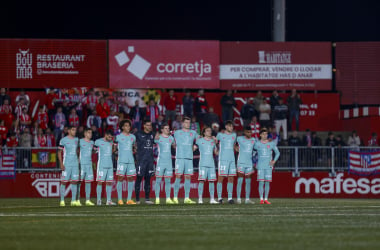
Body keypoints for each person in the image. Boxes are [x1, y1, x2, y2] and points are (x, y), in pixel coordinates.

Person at [173, 116, 199, 204]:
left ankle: (186, 198)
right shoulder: (177, 132)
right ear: (182, 123)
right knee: (178, 176)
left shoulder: (193, 133)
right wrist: (173, 145)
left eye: (189, 122)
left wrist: (196, 146)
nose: (188, 124)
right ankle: (175, 197)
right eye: (186, 122)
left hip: (189, 158)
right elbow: (169, 138)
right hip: (179, 157)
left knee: (188, 177)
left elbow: (201, 139)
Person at [253, 128, 280, 204]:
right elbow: (252, 152)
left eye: (266, 134)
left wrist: (274, 161)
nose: (265, 135)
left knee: (267, 182)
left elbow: (278, 153)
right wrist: (253, 162)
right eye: (264, 134)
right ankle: (261, 199)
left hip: (268, 166)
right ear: (260, 135)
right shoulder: (257, 144)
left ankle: (266, 199)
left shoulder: (271, 143)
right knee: (261, 182)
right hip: (260, 166)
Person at [115, 119, 137, 205]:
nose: (128, 127)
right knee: (120, 178)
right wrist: (116, 154)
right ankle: (120, 199)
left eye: (129, 125)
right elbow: (114, 147)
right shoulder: (118, 137)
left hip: (130, 160)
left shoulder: (133, 137)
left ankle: (129, 199)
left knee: (130, 178)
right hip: (122, 161)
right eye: (126, 126)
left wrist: (135, 150)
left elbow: (134, 147)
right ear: (122, 127)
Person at [195, 126, 219, 204]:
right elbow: (193, 148)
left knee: (211, 181)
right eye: (208, 131)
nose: (210, 132)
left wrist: (217, 143)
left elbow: (216, 152)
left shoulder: (213, 141)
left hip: (211, 164)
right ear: (204, 132)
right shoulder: (199, 140)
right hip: (203, 164)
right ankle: (200, 199)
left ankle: (212, 199)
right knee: (201, 181)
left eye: (210, 131)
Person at [58, 125, 80, 207]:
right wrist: (61, 163)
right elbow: (59, 152)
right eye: (73, 130)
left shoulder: (77, 140)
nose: (75, 131)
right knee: (64, 182)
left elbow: (78, 150)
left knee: (74, 181)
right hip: (66, 163)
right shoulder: (63, 140)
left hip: (75, 164)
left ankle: (73, 200)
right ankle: (62, 200)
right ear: (69, 131)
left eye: (75, 130)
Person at [134, 119, 155, 204]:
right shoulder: (138, 134)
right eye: (148, 125)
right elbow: (132, 142)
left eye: (150, 125)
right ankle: (137, 200)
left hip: (150, 161)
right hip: (141, 161)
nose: (150, 127)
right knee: (139, 179)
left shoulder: (153, 134)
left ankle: (147, 199)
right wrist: (134, 148)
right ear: (144, 126)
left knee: (148, 179)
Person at [216, 120, 237, 204]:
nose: (231, 128)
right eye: (229, 126)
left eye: (232, 126)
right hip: (223, 160)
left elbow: (234, 146)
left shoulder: (234, 135)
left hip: (231, 160)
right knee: (221, 178)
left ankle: (230, 198)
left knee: (231, 178)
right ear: (226, 126)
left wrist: (238, 149)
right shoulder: (220, 135)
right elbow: (214, 142)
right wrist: (215, 150)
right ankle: (219, 198)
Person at [154, 123, 175, 204]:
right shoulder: (159, 138)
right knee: (158, 180)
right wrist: (158, 133)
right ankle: (157, 198)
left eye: (168, 128)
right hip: (160, 162)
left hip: (169, 162)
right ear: (162, 130)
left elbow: (174, 146)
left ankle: (168, 198)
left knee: (168, 181)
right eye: (166, 128)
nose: (167, 129)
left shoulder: (171, 138)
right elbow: (154, 139)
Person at [94, 129, 116, 206]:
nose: (110, 139)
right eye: (109, 137)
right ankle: (99, 200)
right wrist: (95, 150)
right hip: (102, 165)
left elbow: (112, 151)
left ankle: (108, 201)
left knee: (109, 182)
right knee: (100, 182)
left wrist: (114, 148)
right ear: (105, 135)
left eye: (111, 137)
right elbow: (93, 150)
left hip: (110, 164)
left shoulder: (111, 142)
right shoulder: (98, 141)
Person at [236, 126, 256, 204]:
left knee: (248, 182)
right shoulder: (239, 138)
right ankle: (238, 198)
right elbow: (232, 142)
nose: (249, 133)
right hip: (241, 162)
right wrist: (235, 147)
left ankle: (247, 199)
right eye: (248, 132)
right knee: (240, 180)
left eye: (250, 132)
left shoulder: (253, 140)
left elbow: (256, 149)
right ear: (244, 132)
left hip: (249, 164)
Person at [78, 127, 95, 206]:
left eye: (91, 133)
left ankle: (87, 200)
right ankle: (77, 200)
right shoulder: (80, 141)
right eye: (89, 132)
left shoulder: (92, 142)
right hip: (81, 164)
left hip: (89, 165)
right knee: (79, 182)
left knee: (88, 182)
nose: (90, 134)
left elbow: (95, 150)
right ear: (85, 133)